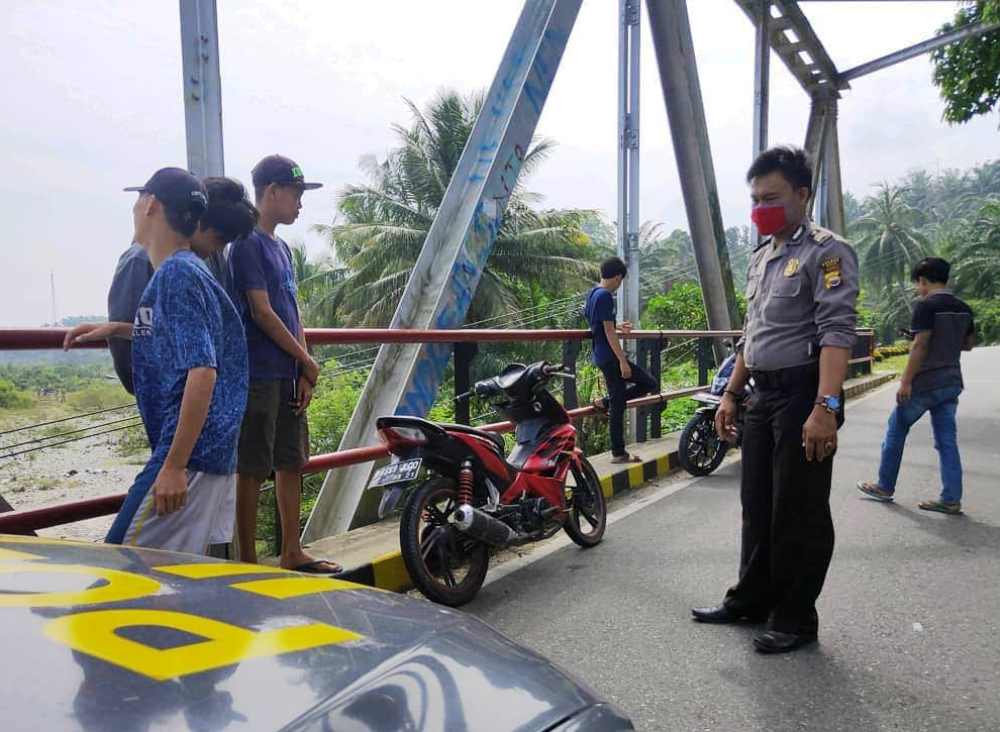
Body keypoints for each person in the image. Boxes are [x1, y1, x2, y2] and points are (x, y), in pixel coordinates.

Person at [691, 146, 859, 654]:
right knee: (756, 504)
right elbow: (753, 333)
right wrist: (730, 393)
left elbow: (836, 333)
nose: (761, 206)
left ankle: (795, 617)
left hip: (804, 392)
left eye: (773, 197)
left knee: (798, 509)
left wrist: (825, 408)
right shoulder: (763, 256)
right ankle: (750, 599)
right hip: (761, 394)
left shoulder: (827, 253)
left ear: (802, 195)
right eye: (755, 198)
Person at [65, 168, 248, 553]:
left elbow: (203, 371)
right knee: (176, 578)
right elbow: (183, 337)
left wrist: (174, 466)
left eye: (138, 199)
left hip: (189, 454)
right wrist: (117, 328)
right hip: (209, 451)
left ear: (150, 204)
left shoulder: (177, 274)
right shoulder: (186, 270)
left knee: (121, 565)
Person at [228, 154, 340, 574]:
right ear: (271, 193)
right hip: (259, 372)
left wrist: (305, 366)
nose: (299, 204)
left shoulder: (282, 249)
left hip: (290, 372)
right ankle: (248, 562)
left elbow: (292, 310)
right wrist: (304, 359)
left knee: (291, 460)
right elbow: (261, 312)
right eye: (295, 194)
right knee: (253, 467)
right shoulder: (246, 246)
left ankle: (292, 550)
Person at [105, 177, 258, 394]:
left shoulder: (206, 261)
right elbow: (133, 345)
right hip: (172, 395)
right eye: (218, 239)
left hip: (202, 396)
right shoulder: (140, 262)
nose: (217, 248)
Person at [857, 257, 975, 514]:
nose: (918, 289)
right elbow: (967, 345)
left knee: (896, 429)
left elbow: (920, 345)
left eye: (918, 284)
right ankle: (951, 498)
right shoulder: (964, 307)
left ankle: (884, 485)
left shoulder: (926, 305)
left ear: (923, 281)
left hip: (925, 382)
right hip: (951, 381)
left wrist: (905, 382)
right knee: (947, 441)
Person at [584, 256, 658, 464]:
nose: (619, 285)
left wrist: (618, 328)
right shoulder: (605, 296)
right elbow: (607, 331)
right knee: (644, 386)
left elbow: (599, 326)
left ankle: (604, 403)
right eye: (621, 281)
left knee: (618, 400)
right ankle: (618, 453)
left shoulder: (592, 294)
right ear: (617, 277)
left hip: (601, 354)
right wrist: (623, 361)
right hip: (610, 356)